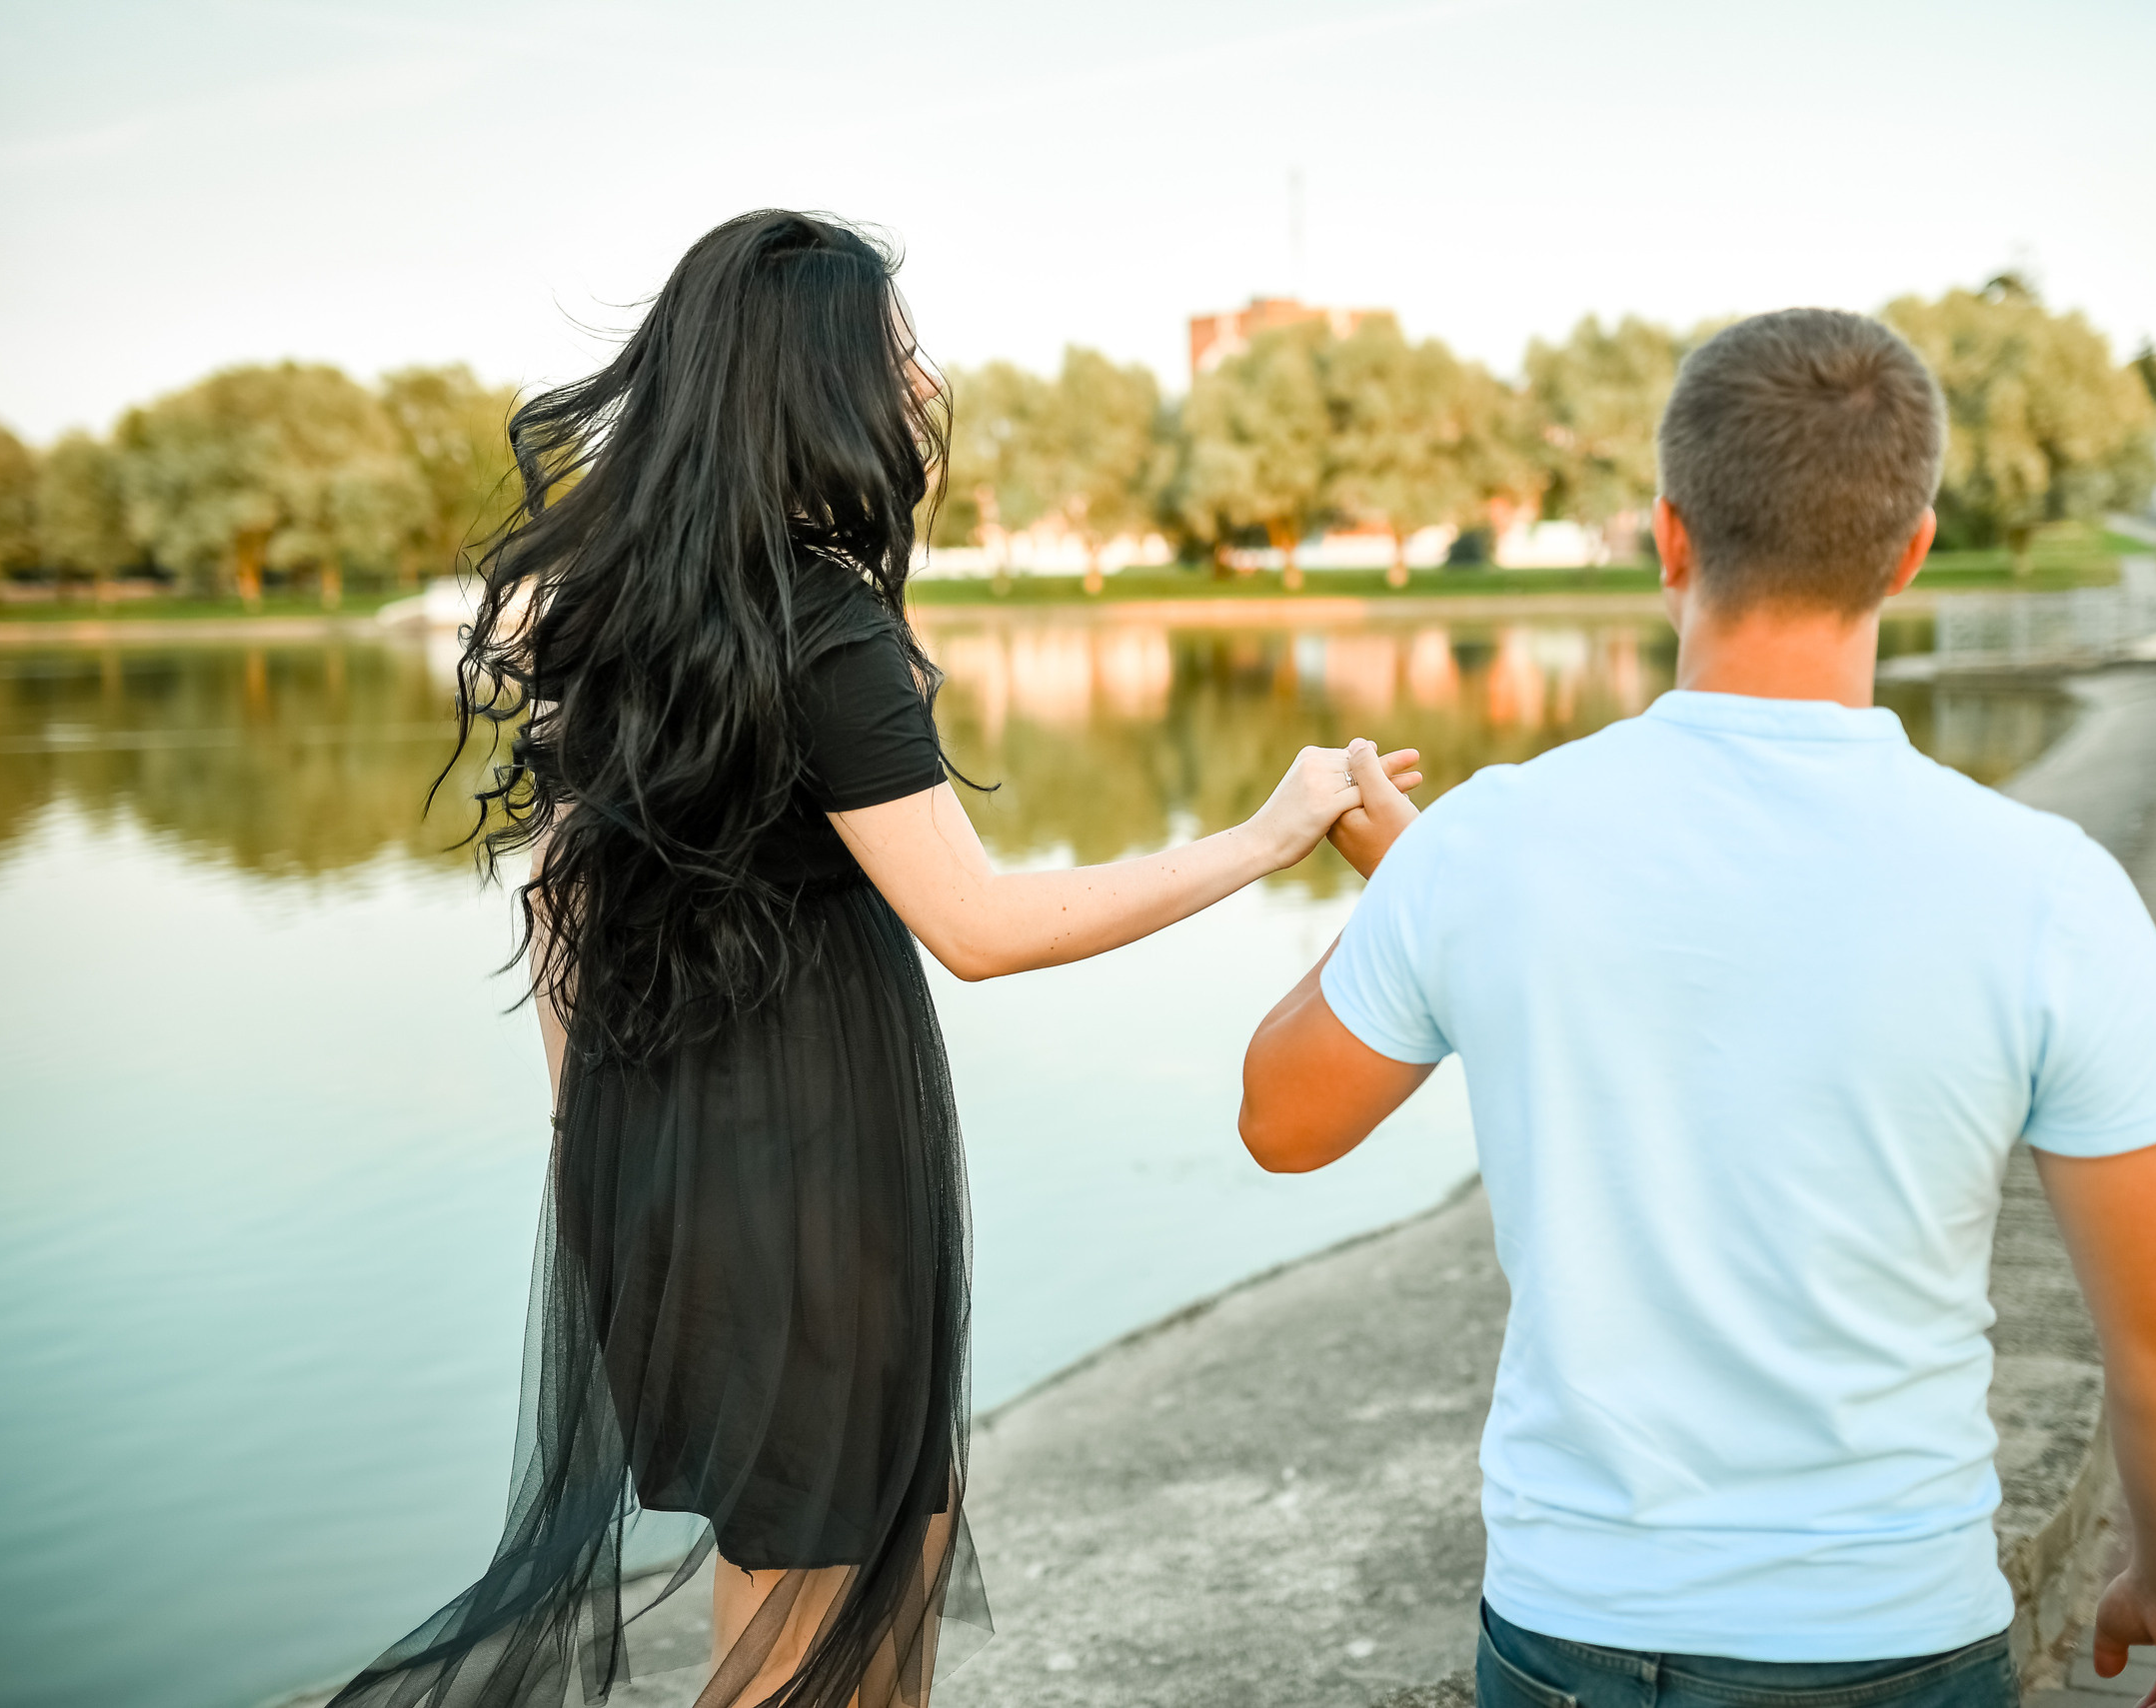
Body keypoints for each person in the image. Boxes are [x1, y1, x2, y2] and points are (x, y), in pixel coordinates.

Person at [325, 210, 1418, 1708]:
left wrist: (603, 1162)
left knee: (855, 1581)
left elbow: (556, 892)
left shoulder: (633, 603)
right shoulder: (822, 621)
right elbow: (976, 926)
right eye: (893, 349)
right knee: (815, 1632)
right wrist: (1259, 834)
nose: (920, 379)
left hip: (667, 1157)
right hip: (806, 1171)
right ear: (813, 379)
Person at [1242, 309, 2156, 1708]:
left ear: (1670, 536)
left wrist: (1418, 895)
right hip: (1898, 1631)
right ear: (1909, 546)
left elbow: (1282, 1120)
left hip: (1574, 1636)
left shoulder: (1490, 848)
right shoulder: (2048, 891)